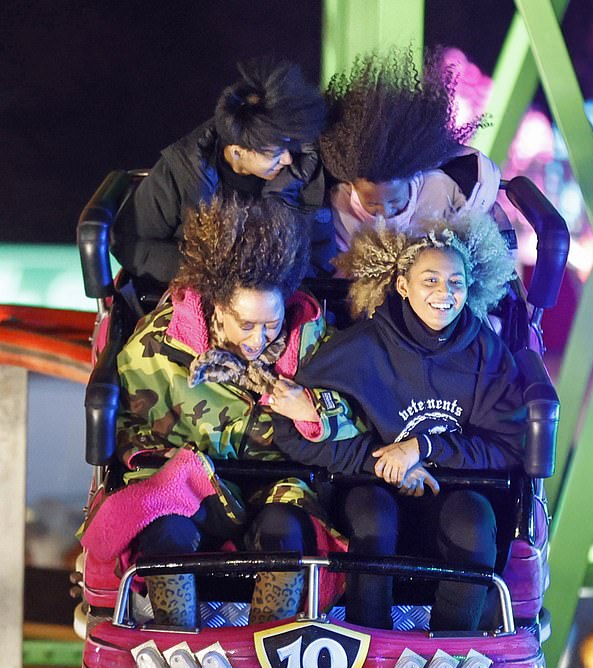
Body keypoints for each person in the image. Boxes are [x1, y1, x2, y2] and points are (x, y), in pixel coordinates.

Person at [81, 196, 352, 627]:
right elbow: (128, 431)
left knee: (286, 533)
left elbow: (358, 418)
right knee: (164, 532)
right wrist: (162, 462)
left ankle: (267, 649)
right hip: (191, 488)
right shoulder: (156, 347)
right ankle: (175, 638)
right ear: (217, 306)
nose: (258, 341)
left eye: (271, 324)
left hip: (279, 484)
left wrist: (311, 408)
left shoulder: (316, 342)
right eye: (245, 324)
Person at [271, 212, 525, 631]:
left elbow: (510, 444)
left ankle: (450, 651)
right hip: (371, 491)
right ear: (403, 286)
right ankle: (368, 646)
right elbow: (291, 430)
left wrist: (422, 448)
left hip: (452, 490)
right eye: (430, 280)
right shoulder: (363, 346)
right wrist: (382, 464)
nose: (444, 293)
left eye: (455, 283)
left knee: (475, 523)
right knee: (375, 516)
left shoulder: (484, 349)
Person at [111, 58, 332, 285]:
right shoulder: (181, 173)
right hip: (195, 293)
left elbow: (320, 252)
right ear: (237, 152)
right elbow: (130, 242)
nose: (287, 159)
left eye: (289, 146)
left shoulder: (302, 168)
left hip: (280, 301)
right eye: (274, 154)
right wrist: (204, 275)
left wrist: (279, 284)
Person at [319, 48, 510, 259]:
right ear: (351, 184)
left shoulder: (443, 192)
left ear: (414, 175)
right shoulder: (339, 207)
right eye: (372, 204)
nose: (384, 213)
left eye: (395, 202)